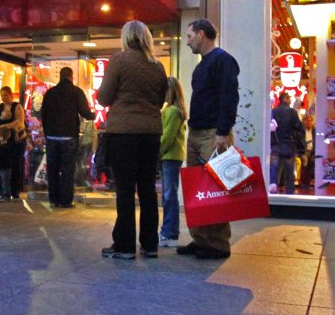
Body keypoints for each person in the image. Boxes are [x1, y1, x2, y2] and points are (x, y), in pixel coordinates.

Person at [98, 20, 167, 260]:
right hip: (151, 133)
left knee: (125, 190)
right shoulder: (157, 66)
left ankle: (124, 246)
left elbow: (104, 98)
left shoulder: (118, 61)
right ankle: (150, 244)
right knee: (148, 188)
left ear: (127, 37)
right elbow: (160, 100)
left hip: (124, 133)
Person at [177, 18, 240, 260]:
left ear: (202, 34)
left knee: (215, 189)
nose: (187, 41)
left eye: (190, 36)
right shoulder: (202, 65)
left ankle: (218, 244)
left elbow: (229, 96)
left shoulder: (223, 60)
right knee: (197, 189)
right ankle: (201, 239)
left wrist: (223, 131)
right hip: (197, 133)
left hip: (213, 133)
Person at [40, 67, 94, 208]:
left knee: (52, 169)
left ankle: (53, 199)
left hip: (52, 137)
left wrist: (47, 134)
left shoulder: (50, 93)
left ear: (60, 76)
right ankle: (65, 201)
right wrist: (92, 115)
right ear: (71, 76)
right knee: (67, 170)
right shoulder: (76, 92)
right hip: (69, 137)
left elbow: (43, 115)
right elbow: (85, 112)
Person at [158, 76, 187, 248]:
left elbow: (166, 137)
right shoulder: (177, 110)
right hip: (174, 156)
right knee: (170, 195)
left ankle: (169, 233)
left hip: (169, 156)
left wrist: (156, 153)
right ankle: (169, 232)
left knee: (169, 196)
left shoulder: (172, 111)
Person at [0, 86, 27, 202]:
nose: (3, 98)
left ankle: (15, 190)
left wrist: (6, 126)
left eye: (6, 95)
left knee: (16, 164)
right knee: (3, 166)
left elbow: (19, 122)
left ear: (10, 95)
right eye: (2, 95)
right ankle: (3, 190)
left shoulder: (17, 107)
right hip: (3, 141)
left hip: (16, 140)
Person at [270, 92, 305, 195]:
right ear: (285, 99)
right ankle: (290, 194)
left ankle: (274, 193)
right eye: (289, 98)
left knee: (275, 171)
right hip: (289, 145)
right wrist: (301, 145)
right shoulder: (292, 112)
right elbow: (299, 127)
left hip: (276, 145)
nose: (290, 101)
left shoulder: (274, 112)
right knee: (290, 173)